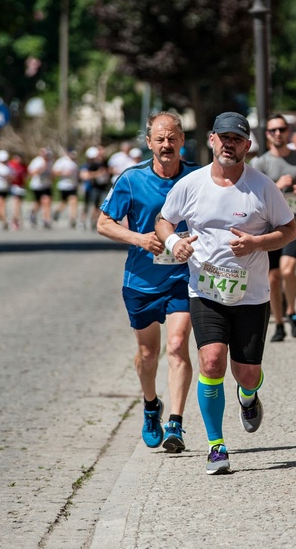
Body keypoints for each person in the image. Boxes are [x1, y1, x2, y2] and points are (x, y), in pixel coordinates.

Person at [156, 111, 296, 475]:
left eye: (237, 139)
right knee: (212, 362)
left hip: (251, 295)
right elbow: (164, 221)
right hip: (205, 291)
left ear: (248, 145)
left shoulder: (262, 187)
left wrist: (257, 242)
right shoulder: (192, 184)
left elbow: (289, 229)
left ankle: (248, 397)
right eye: (223, 137)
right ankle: (216, 445)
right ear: (211, 140)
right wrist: (173, 241)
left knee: (247, 374)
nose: (229, 144)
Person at [97, 111, 199, 453]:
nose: (166, 145)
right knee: (147, 352)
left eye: (172, 138)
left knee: (177, 345)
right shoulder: (131, 179)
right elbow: (103, 223)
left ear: (182, 140)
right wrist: (139, 239)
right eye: (160, 139)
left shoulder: (199, 177)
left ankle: (176, 422)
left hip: (184, 277)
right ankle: (151, 403)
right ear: (149, 142)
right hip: (141, 279)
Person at [250, 114, 296, 342]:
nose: (278, 134)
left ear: (288, 131)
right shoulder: (260, 163)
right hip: (269, 228)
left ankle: (292, 310)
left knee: (287, 270)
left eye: (281, 129)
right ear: (267, 135)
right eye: (273, 130)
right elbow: (253, 196)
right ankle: (280, 323)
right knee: (273, 277)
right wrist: (278, 186)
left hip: (295, 223)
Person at [52, 150, 80, 228]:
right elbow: (55, 172)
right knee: (63, 202)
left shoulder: (74, 162)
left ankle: (72, 219)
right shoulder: (62, 161)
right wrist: (64, 173)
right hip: (64, 185)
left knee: (73, 201)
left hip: (73, 185)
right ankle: (57, 212)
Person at [27, 148, 54, 229]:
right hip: (37, 185)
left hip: (46, 185)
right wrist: (41, 169)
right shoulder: (36, 161)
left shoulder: (50, 162)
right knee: (38, 203)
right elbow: (31, 173)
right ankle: (32, 213)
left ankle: (46, 220)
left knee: (47, 201)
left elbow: (52, 173)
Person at [8, 152, 28, 230]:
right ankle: (14, 220)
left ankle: (17, 219)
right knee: (15, 203)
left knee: (19, 204)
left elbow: (25, 176)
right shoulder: (11, 164)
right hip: (13, 186)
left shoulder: (23, 166)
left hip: (21, 186)